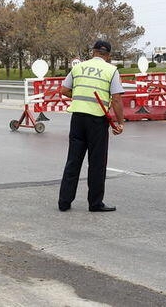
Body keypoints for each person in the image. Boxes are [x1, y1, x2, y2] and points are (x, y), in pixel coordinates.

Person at [58, 40, 125, 213]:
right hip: (97, 119)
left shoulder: (78, 67)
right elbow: (117, 99)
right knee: (97, 162)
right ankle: (95, 203)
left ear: (93, 52)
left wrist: (79, 95)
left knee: (73, 160)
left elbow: (64, 90)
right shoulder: (111, 70)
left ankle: (64, 202)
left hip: (77, 118)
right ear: (108, 55)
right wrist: (120, 122)